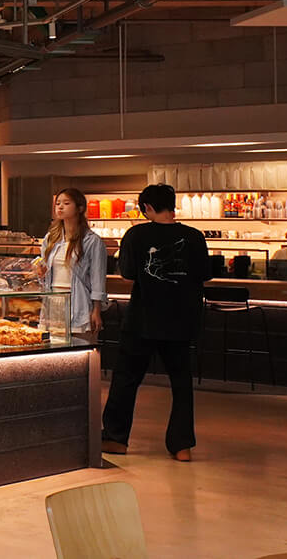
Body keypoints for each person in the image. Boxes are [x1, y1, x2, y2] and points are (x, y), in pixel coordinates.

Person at [101, 184, 211, 462]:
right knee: (181, 383)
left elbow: (127, 274)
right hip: (181, 320)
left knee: (126, 378)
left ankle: (115, 438)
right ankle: (181, 446)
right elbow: (204, 274)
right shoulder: (194, 236)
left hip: (143, 318)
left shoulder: (136, 235)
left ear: (147, 208)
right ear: (172, 205)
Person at [36, 188, 108, 336]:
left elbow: (98, 278)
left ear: (80, 208)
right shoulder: (51, 238)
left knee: (80, 344)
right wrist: (40, 271)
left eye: (66, 203)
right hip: (53, 300)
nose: (60, 207)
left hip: (79, 301)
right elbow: (44, 271)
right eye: (58, 204)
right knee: (53, 345)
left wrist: (96, 309)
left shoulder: (91, 241)